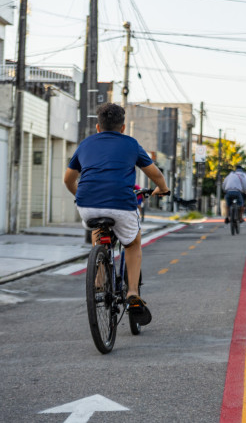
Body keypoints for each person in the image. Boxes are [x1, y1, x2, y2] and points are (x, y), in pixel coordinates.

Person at [64, 103, 169, 326]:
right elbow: (155, 173)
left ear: (98, 127)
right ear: (123, 127)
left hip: (87, 204)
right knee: (132, 243)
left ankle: (100, 278)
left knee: (98, 229)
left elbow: (68, 179)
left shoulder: (86, 144)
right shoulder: (131, 144)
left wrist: (80, 196)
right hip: (121, 203)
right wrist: (163, 188)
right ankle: (132, 292)